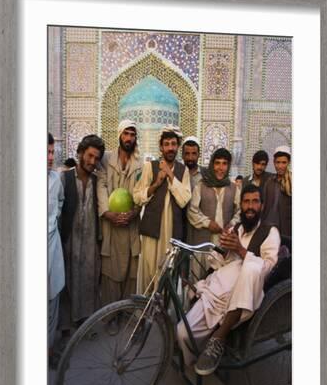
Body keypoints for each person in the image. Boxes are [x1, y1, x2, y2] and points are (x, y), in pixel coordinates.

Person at [177, 184, 280, 374]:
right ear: (241, 205)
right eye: (246, 202)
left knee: (251, 267)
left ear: (262, 206)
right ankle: (193, 362)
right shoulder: (236, 228)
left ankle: (219, 337)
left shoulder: (270, 233)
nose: (250, 206)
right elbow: (217, 263)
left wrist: (241, 250)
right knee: (183, 334)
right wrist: (224, 251)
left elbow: (267, 269)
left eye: (255, 202)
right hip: (216, 292)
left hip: (243, 298)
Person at [134, 127, 191, 294]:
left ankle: (162, 317)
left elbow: (184, 199)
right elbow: (137, 196)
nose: (170, 148)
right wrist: (156, 184)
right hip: (152, 230)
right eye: (166, 144)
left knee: (167, 274)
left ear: (178, 146)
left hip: (172, 232)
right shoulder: (149, 167)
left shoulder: (183, 171)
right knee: (148, 273)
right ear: (161, 147)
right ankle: (143, 314)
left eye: (173, 144)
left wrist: (170, 174)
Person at [60, 134, 105, 328]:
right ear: (80, 153)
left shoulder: (98, 182)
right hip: (69, 240)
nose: (92, 161)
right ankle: (67, 325)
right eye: (89, 156)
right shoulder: (65, 178)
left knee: (89, 280)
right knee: (68, 281)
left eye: (96, 158)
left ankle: (86, 324)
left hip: (90, 242)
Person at [97, 120, 143, 306]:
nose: (129, 138)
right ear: (119, 135)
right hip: (111, 226)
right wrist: (107, 213)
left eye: (132, 135)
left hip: (131, 227)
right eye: (126, 134)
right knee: (111, 274)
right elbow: (102, 184)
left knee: (131, 274)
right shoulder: (106, 159)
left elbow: (142, 191)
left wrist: (134, 212)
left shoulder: (141, 164)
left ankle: (126, 315)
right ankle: (110, 317)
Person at [187, 147, 240, 279]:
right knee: (198, 284)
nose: (220, 168)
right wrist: (207, 223)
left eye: (224, 164)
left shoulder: (233, 188)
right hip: (202, 247)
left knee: (220, 285)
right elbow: (192, 211)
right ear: (212, 164)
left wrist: (232, 224)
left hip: (224, 248)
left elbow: (240, 212)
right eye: (217, 163)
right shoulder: (201, 185)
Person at [47, 133, 65, 353]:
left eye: (52, 152)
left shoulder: (55, 180)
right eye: (46, 152)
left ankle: (49, 349)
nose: (50, 157)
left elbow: (59, 203)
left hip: (52, 244)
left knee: (53, 301)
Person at [262, 145, 292, 238]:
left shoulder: (292, 182)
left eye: (284, 162)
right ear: (274, 163)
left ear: (288, 163)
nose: (280, 166)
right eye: (278, 162)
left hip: (286, 231)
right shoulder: (269, 182)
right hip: (268, 229)